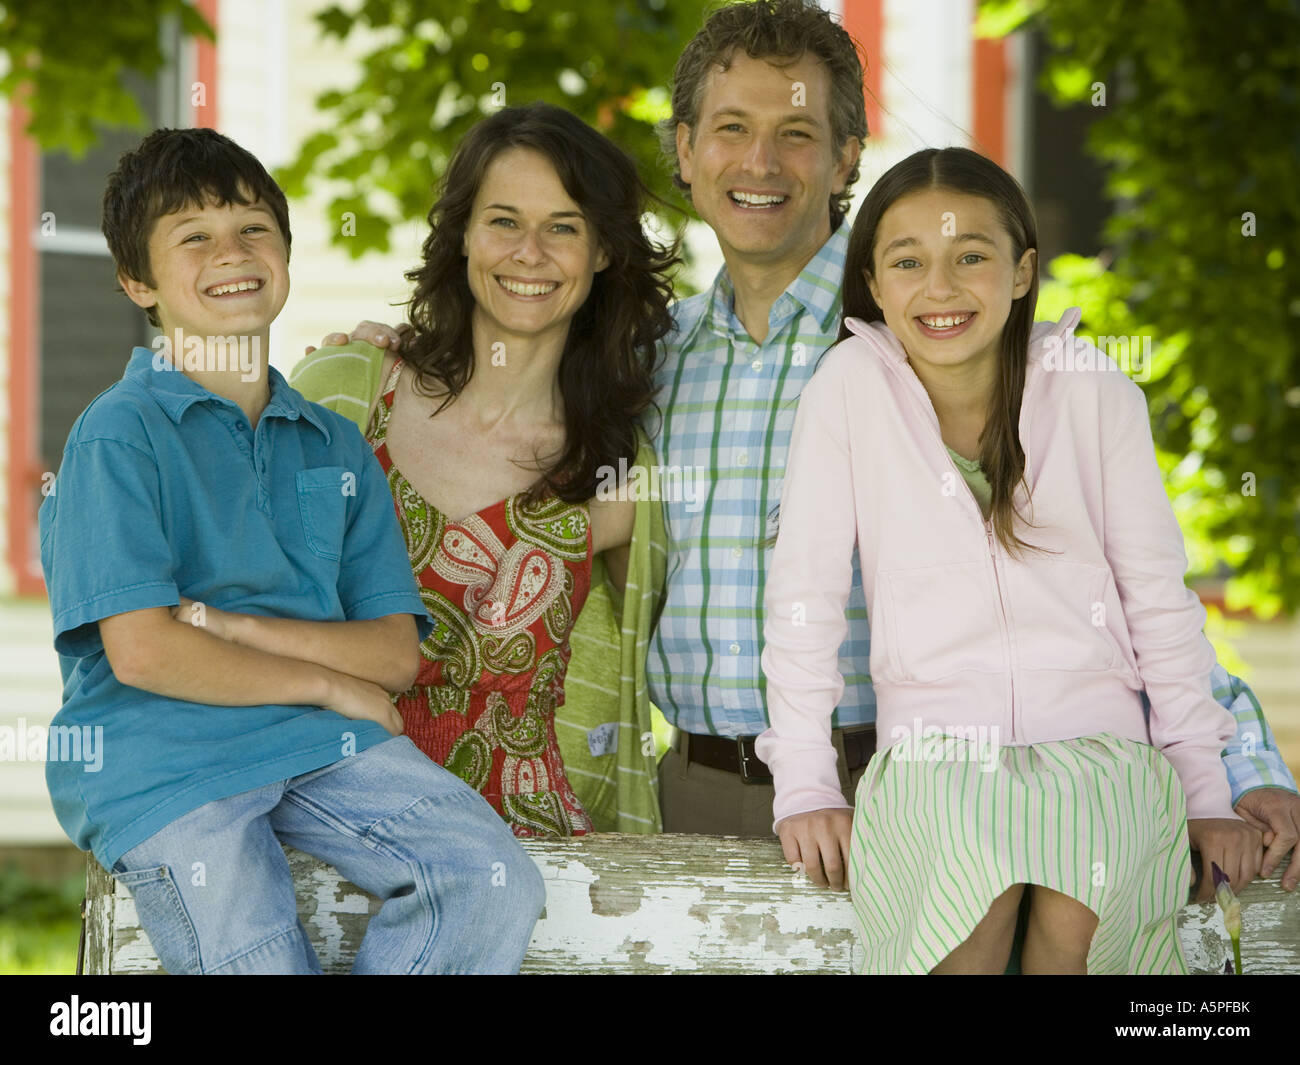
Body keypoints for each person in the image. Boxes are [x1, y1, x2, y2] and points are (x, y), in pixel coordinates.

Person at [647, 0, 1299, 898]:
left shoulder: (942, 334)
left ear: (846, 156)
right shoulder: (645, 367)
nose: (760, 162)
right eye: (730, 128)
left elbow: (1108, 592)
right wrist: (405, 355)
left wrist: (1243, 766)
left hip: (928, 796)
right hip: (698, 791)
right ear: (686, 150)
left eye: (796, 131)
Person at [38, 127, 544, 974]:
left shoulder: (332, 444)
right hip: (166, 758)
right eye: (191, 237)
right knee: (260, 954)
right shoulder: (119, 434)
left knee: (488, 880)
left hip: (318, 744)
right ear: (137, 281)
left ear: (285, 252)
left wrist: (238, 631)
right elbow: (146, 648)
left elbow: (390, 653)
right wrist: (325, 681)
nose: (230, 253)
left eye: (252, 229)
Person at [759, 146, 1262, 974]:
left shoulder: (1096, 393)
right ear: (875, 285)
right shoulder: (847, 390)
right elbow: (803, 601)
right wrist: (808, 786)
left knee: (1080, 936)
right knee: (967, 926)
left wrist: (1205, 794)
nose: (941, 287)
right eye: (908, 261)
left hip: (1101, 755)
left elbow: (1159, 604)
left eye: (971, 257)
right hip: (933, 758)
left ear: (1023, 271)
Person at [292, 104, 677, 836]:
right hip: (327, 827)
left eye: (563, 226)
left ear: (600, 251)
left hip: (534, 857)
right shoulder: (345, 389)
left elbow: (656, 667)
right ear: (463, 234)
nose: (529, 252)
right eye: (504, 221)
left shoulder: (621, 475)